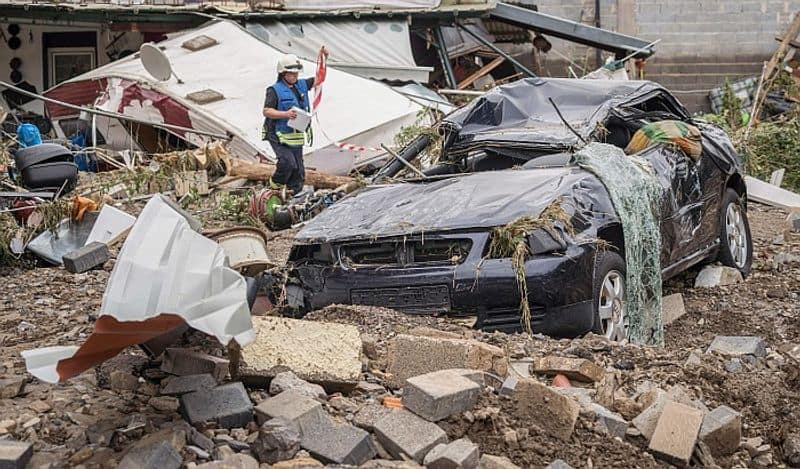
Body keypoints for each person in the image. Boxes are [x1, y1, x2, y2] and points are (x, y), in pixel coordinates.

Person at [262, 48, 327, 193]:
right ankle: (274, 187)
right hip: (277, 133)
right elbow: (266, 111)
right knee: (287, 163)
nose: (294, 76)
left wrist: (324, 60)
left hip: (295, 134)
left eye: (296, 73)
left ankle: (294, 195)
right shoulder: (274, 90)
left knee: (298, 171)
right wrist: (285, 114)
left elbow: (320, 79)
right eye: (291, 74)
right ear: (283, 73)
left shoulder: (301, 85)